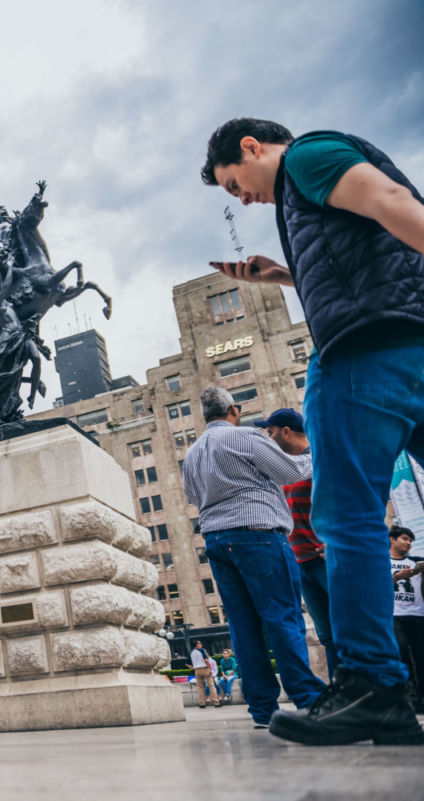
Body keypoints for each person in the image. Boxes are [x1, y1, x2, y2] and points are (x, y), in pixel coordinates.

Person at [201, 117, 424, 745]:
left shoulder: (308, 156)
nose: (242, 197)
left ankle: (374, 686)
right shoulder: (305, 189)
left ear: (251, 147)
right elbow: (368, 250)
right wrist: (281, 276)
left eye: (234, 183)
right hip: (408, 337)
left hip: (361, 351)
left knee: (346, 516)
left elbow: (392, 203)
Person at [181, 386, 323, 728]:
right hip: (258, 534)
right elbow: (292, 472)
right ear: (234, 409)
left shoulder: (193, 452)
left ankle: (263, 710)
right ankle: (308, 699)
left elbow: (190, 496)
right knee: (282, 617)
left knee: (243, 627)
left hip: (217, 541)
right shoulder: (244, 436)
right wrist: (314, 448)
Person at [257, 408, 337, 679]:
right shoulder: (283, 470)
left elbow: (341, 499)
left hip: (326, 558)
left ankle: (371, 690)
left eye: (270, 433)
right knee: (326, 634)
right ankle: (343, 691)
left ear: (286, 432)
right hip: (300, 562)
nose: (268, 438)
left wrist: (333, 540)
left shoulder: (318, 459)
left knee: (348, 626)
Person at [389, 526, 424, 711]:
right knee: (401, 650)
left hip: (418, 614)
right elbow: (376, 584)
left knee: (421, 656)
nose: (408, 543)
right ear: (392, 540)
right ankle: (411, 693)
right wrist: (396, 577)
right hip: (395, 615)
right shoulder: (382, 562)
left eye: (410, 540)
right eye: (404, 538)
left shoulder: (416, 562)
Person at [189, 641, 220, 709]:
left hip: (197, 670)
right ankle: (216, 702)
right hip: (205, 669)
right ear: (197, 644)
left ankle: (202, 703)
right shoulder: (202, 650)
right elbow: (206, 660)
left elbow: (187, 664)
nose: (201, 644)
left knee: (200, 687)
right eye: (200, 643)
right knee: (211, 686)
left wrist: (194, 668)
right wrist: (210, 668)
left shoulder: (191, 652)